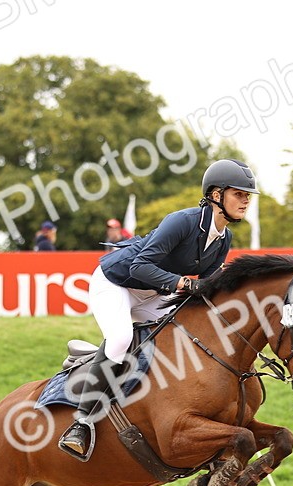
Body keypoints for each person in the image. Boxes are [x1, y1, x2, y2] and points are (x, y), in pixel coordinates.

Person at [57, 158, 257, 461]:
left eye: (247, 196)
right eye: (239, 194)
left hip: (153, 294)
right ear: (216, 195)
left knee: (182, 336)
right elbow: (139, 266)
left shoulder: (223, 238)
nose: (245, 201)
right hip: (116, 282)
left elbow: (205, 288)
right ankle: (81, 422)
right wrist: (184, 284)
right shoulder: (183, 221)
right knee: (122, 339)